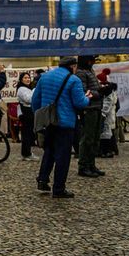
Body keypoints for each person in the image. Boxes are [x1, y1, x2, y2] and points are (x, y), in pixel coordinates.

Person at [32, 56, 91, 198]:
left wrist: (40, 116)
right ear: (72, 66)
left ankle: (42, 180)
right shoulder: (73, 80)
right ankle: (58, 188)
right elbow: (80, 103)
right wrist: (88, 97)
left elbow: (35, 100)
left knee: (49, 151)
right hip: (65, 123)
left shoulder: (44, 77)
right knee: (63, 156)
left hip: (49, 123)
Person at [75, 55, 105, 177]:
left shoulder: (90, 71)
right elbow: (84, 91)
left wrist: (103, 88)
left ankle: (91, 164)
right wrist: (100, 92)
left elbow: (94, 88)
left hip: (97, 107)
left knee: (95, 138)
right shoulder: (81, 73)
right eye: (91, 60)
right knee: (87, 138)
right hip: (89, 108)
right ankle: (83, 166)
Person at [15, 72, 36, 160]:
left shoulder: (28, 88)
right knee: (26, 134)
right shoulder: (22, 89)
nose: (28, 79)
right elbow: (29, 99)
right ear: (21, 79)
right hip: (26, 114)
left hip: (29, 113)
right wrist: (35, 91)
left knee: (29, 133)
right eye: (25, 78)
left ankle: (27, 152)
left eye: (28, 78)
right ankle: (26, 153)